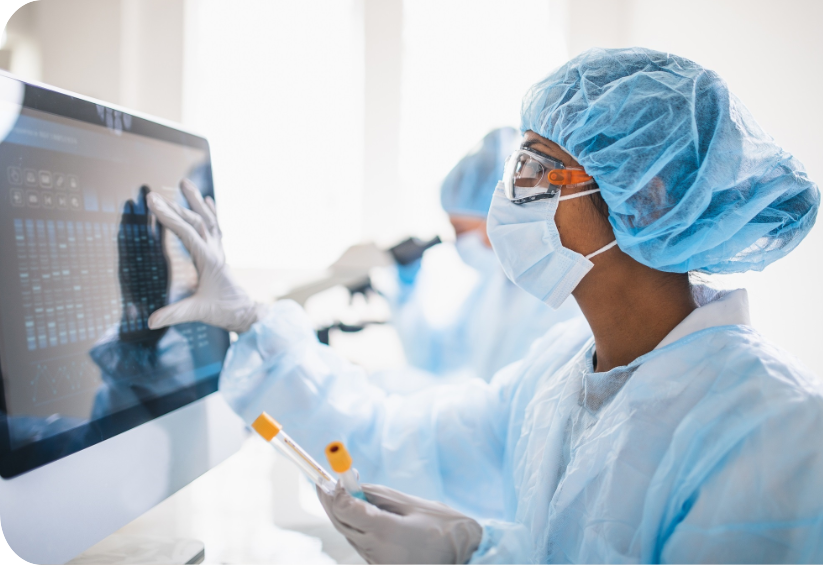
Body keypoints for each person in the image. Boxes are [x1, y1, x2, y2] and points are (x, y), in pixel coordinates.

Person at [146, 47, 823, 563]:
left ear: (642, 197)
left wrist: (474, 555)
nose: (507, 198)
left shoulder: (771, 430)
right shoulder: (560, 374)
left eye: (531, 170)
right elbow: (394, 440)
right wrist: (250, 319)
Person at [373, 126, 581, 386]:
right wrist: (406, 291)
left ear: (498, 217)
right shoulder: (495, 284)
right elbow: (436, 360)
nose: (457, 242)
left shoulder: (558, 294)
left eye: (461, 230)